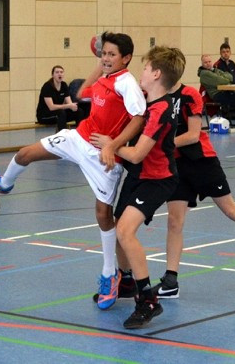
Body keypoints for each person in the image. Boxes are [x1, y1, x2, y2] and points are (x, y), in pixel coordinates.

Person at [0, 31, 147, 311]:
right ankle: (4, 183)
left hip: (102, 154)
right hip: (79, 137)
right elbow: (81, 93)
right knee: (25, 153)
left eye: (113, 54)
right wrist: (100, 63)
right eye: (104, 53)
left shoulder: (127, 83)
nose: (106, 58)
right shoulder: (106, 77)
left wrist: (113, 145)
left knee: (103, 214)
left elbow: (139, 118)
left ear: (127, 58)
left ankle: (109, 274)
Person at [150, 82, 235, 298]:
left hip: (203, 162)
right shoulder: (154, 96)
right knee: (174, 221)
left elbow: (193, 135)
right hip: (178, 165)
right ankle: (171, 280)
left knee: (231, 210)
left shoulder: (189, 94)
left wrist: (163, 145)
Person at [90, 45, 184, 329]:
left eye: (145, 68)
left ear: (156, 74)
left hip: (157, 179)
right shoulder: (145, 100)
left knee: (124, 230)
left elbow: (138, 153)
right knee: (120, 227)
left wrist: (111, 144)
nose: (140, 73)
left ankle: (148, 301)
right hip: (137, 175)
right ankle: (128, 280)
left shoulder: (161, 111)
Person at [36, 65, 82, 132]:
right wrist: (68, 106)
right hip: (45, 115)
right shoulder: (47, 86)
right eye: (57, 72)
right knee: (61, 113)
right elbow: (51, 107)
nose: (59, 74)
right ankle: (62, 136)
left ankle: (80, 134)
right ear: (53, 75)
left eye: (61, 72)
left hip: (59, 113)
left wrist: (73, 106)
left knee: (79, 111)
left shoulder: (64, 85)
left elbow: (69, 103)